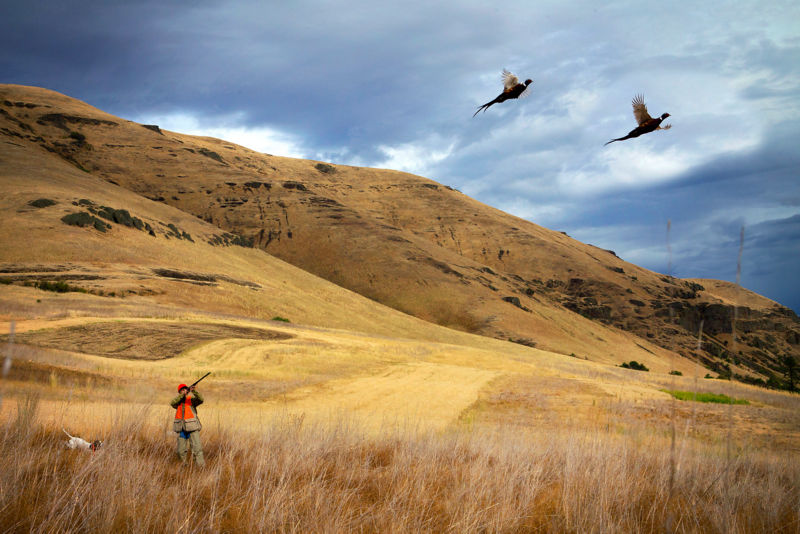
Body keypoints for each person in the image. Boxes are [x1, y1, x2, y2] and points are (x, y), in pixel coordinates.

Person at [170, 383, 205, 467]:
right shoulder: (177, 401)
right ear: (179, 392)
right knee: (180, 451)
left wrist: (194, 391)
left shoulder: (191, 400)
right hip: (181, 428)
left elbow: (201, 399)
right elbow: (172, 403)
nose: (184, 391)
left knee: (197, 449)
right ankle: (183, 467)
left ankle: (200, 468)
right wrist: (182, 395)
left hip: (192, 427)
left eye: (185, 389)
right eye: (182, 390)